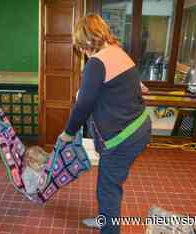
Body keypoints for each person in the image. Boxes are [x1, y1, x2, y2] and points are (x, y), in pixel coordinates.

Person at [59, 14, 151, 234]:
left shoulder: (97, 62)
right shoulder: (118, 52)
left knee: (108, 189)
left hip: (123, 137)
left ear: (87, 40)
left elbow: (83, 106)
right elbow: (134, 85)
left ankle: (109, 227)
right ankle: (104, 219)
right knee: (108, 182)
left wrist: (68, 133)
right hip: (138, 128)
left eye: (82, 46)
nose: (82, 51)